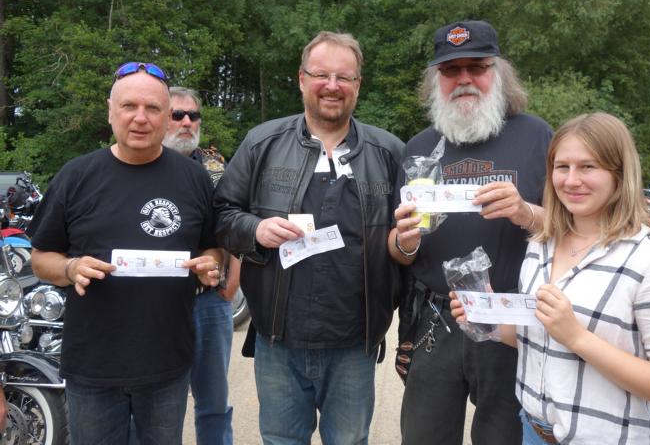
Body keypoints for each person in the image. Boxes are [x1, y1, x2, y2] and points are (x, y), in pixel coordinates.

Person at [451, 112, 650, 444]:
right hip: (532, 431)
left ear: (620, 174)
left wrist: (577, 336)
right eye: (562, 167)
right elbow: (544, 340)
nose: (572, 180)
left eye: (588, 167)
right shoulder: (541, 246)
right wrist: (488, 319)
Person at [213, 31, 404, 444]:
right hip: (279, 342)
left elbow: (408, 241)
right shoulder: (262, 144)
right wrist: (255, 229)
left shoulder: (389, 152)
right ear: (301, 79)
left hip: (355, 343)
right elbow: (221, 214)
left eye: (344, 77)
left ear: (357, 85)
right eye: (321, 74)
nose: (332, 86)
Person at [28, 62, 223, 445]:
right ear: (110, 111)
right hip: (93, 367)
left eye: (153, 108)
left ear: (166, 116)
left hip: (167, 364)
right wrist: (71, 267)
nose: (140, 118)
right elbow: (40, 258)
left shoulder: (195, 178)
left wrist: (210, 264)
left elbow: (212, 247)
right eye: (129, 106)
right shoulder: (76, 176)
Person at [389, 20, 553, 445]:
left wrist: (526, 212)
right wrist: (405, 242)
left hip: (511, 317)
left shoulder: (537, 136)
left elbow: (571, 229)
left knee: (503, 437)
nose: (464, 79)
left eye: (476, 67)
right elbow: (398, 248)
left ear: (498, 73)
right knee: (423, 437)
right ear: (436, 80)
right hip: (437, 316)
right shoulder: (419, 147)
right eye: (450, 70)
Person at [163, 86, 240, 445]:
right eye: (177, 115)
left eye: (193, 115)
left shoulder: (216, 168)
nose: (186, 122)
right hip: (157, 301)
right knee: (161, 402)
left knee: (213, 401)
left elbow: (234, 223)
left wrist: (232, 282)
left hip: (208, 299)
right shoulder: (140, 164)